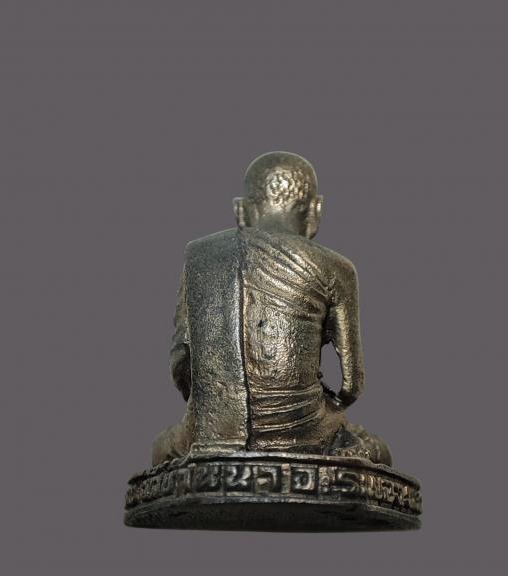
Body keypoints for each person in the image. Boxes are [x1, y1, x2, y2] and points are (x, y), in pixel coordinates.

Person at [152, 152, 390, 466]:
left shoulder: (199, 257)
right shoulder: (335, 267)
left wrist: (212, 402)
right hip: (305, 429)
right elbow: (351, 385)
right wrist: (319, 405)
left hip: (211, 432)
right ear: (315, 210)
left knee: (162, 450)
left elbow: (181, 359)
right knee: (375, 450)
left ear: (240, 211)